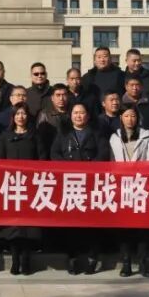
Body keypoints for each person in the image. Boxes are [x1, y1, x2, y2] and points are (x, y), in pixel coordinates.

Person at [51, 103, 109, 274]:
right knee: (71, 224)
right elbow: (54, 154)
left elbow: (103, 154)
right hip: (71, 185)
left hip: (92, 185)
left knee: (92, 224)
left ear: (88, 115)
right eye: (75, 113)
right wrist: (68, 168)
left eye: (82, 113)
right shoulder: (63, 134)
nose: (78, 116)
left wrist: (89, 169)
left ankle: (92, 257)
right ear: (70, 116)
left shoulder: (97, 133)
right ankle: (73, 258)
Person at [108, 105, 149, 278]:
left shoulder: (146, 136)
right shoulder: (114, 138)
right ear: (121, 118)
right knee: (124, 229)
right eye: (126, 116)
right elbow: (111, 163)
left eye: (133, 116)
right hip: (122, 188)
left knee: (143, 228)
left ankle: (143, 264)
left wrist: (139, 175)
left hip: (141, 187)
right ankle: (126, 263)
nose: (130, 119)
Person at [0, 104, 42, 275]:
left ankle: (26, 261)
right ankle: (15, 260)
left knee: (28, 227)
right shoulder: (5, 135)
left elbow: (42, 158)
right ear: (13, 117)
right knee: (13, 227)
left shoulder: (35, 135)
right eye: (17, 114)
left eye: (23, 113)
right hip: (11, 186)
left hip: (30, 186)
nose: (20, 117)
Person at [36, 83, 72, 160]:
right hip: (51, 155)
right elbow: (40, 140)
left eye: (64, 95)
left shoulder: (74, 113)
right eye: (58, 95)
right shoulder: (44, 114)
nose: (61, 98)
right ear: (52, 98)